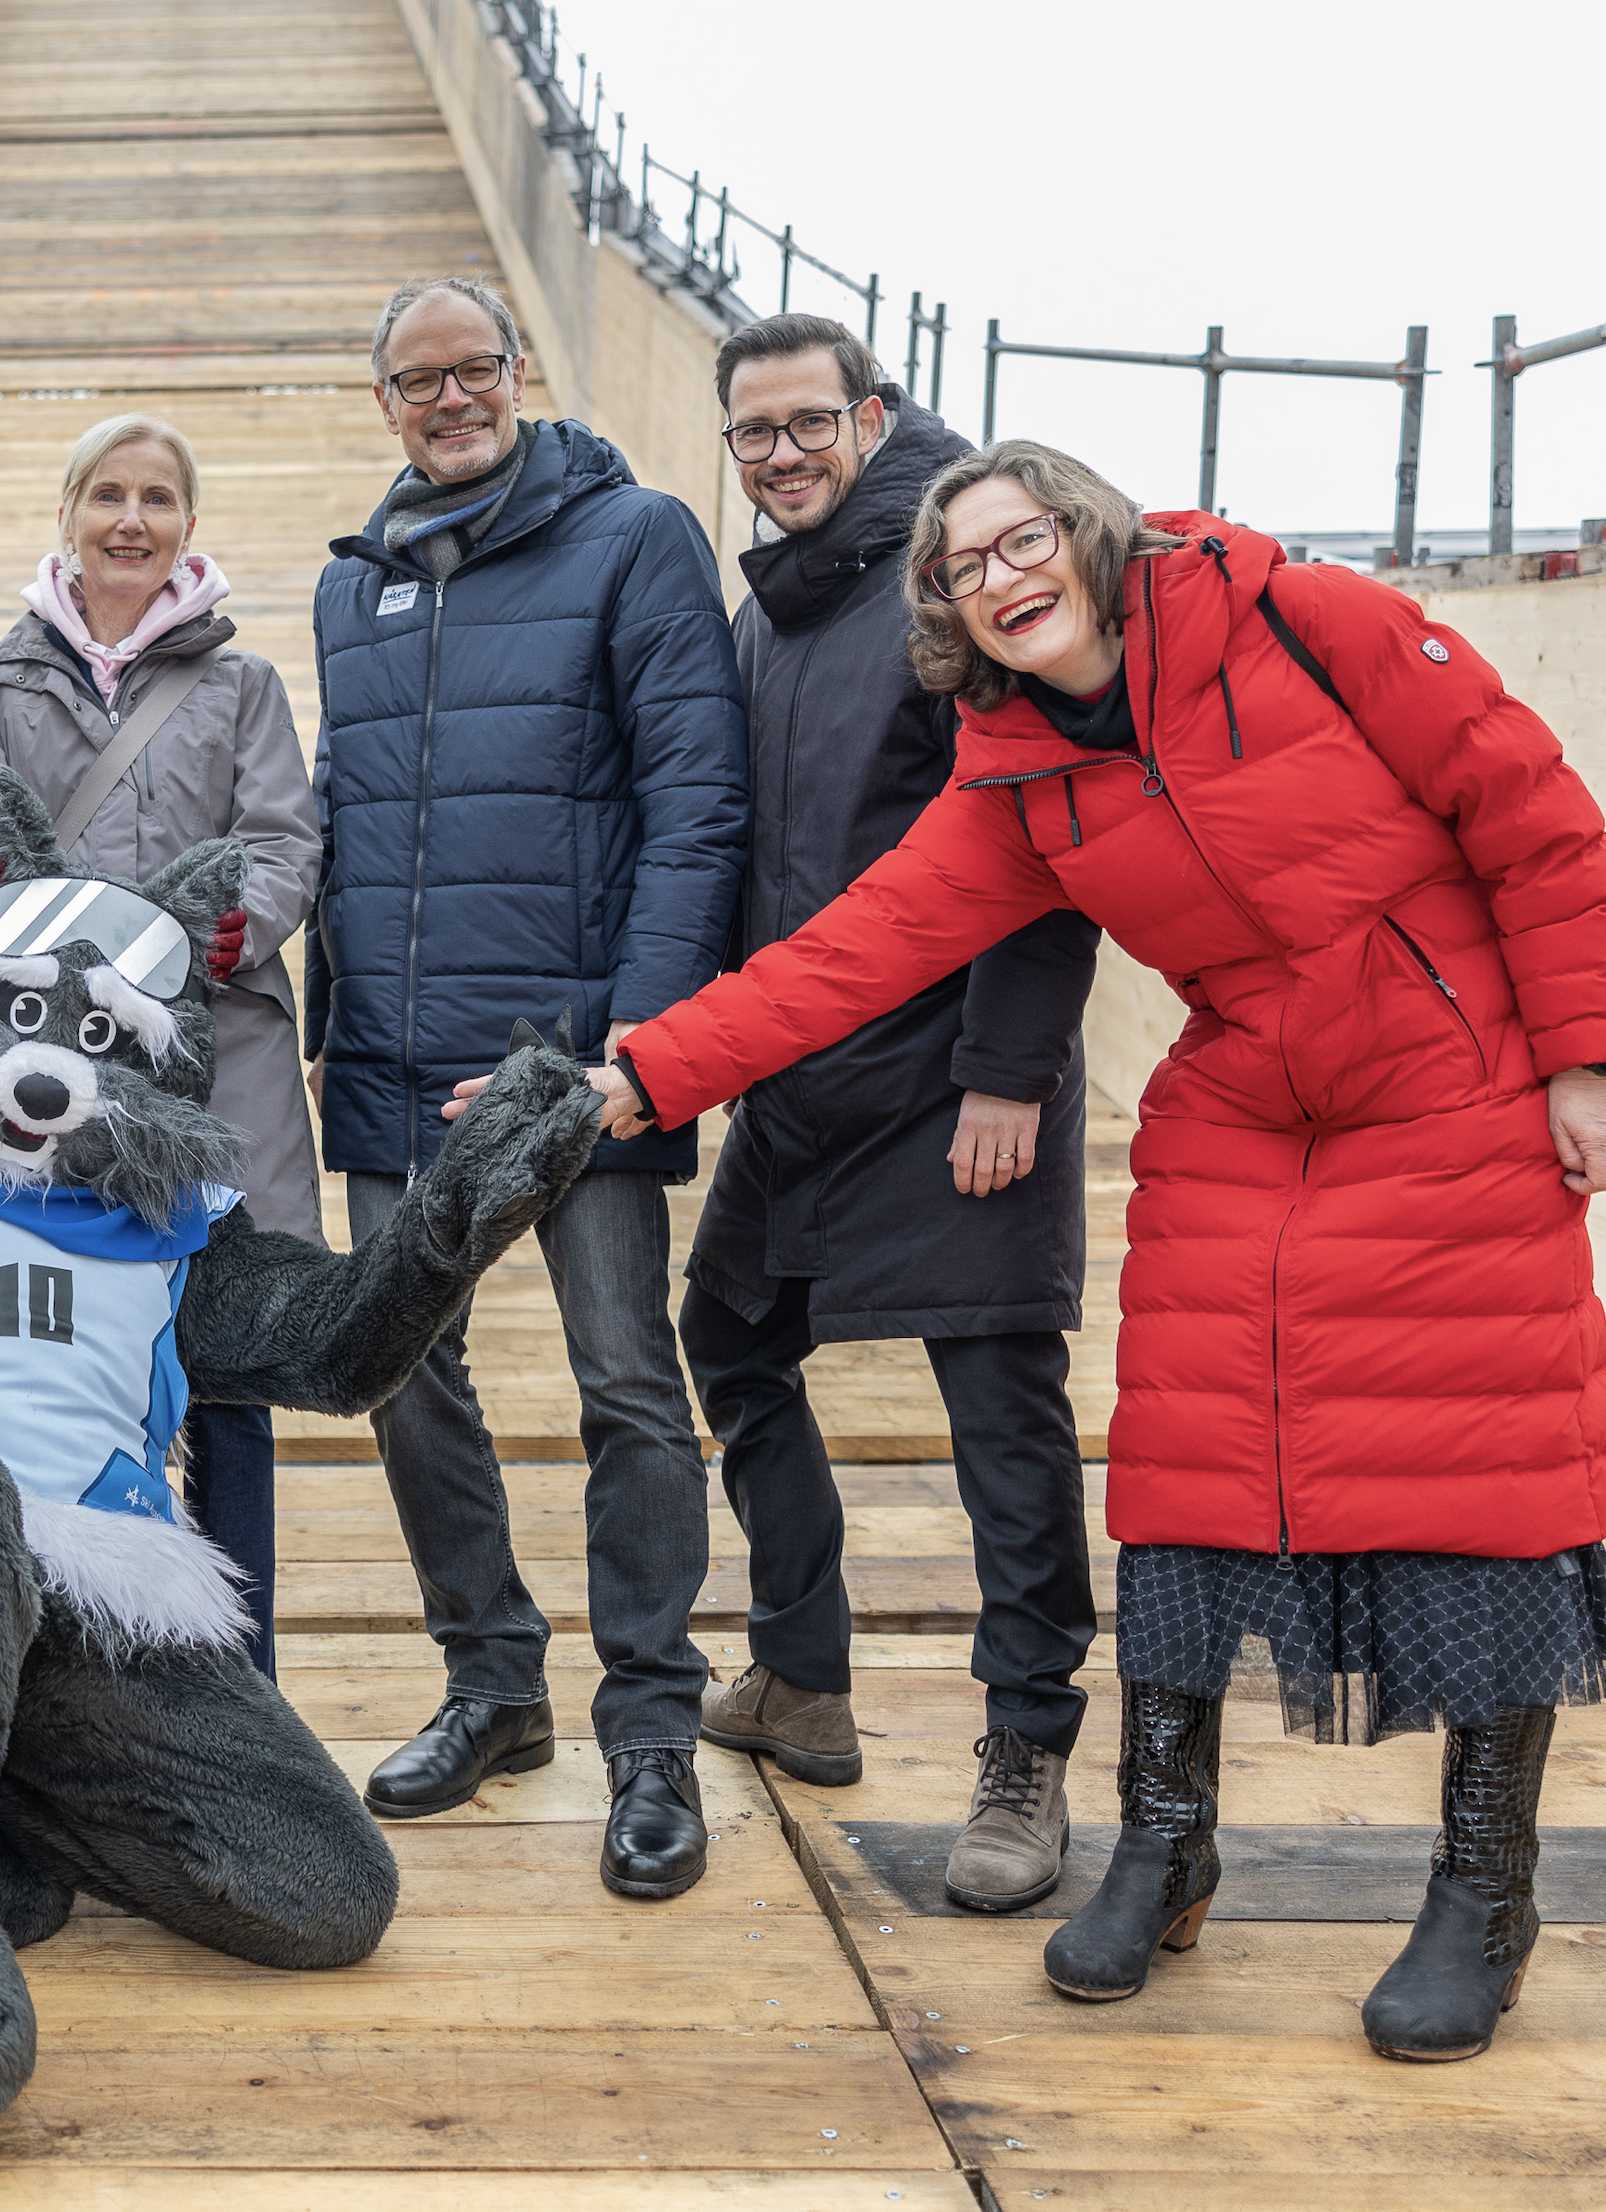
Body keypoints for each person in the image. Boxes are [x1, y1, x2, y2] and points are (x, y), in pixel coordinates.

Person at [499, 439, 1606, 2062]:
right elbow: (852, 951)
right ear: (950, 609)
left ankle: (1482, 1889)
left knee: (1485, 1471)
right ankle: (1164, 1838)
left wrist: (1584, 1049)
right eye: (966, 565)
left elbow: (1522, 802)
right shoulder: (1016, 768)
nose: (1003, 575)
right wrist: (631, 1080)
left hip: (1451, 1079)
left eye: (1024, 538)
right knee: (1177, 1469)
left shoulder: (1302, 619)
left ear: (1089, 538)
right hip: (1250, 1098)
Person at [303, 276, 749, 1899]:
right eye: (414, 379)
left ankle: (650, 1738)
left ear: (517, 371)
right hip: (392, 1063)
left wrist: (634, 1047)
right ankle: (492, 1685)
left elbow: (699, 806)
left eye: (470, 367)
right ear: (384, 406)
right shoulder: (351, 587)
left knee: (626, 1383)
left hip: (578, 1064)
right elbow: (343, 826)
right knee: (402, 1377)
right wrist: (325, 1028)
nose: (447, 398)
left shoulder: (633, 539)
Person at [682, 315, 1103, 1915]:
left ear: (873, 414)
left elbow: (1044, 827)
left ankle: (1027, 1759)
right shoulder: (774, 601)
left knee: (1001, 1423)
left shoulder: (953, 575)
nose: (780, 453)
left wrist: (1011, 1069)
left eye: (807, 422)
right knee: (727, 1339)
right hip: (805, 1071)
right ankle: (803, 1675)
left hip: (950, 1082)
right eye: (752, 433)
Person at [0, 411, 322, 1679]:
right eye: (108, 494)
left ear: (188, 528)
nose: (131, 520)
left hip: (222, 1065)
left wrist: (214, 941)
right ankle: (92, 1673)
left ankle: (244, 1673)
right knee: (68, 1364)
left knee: (226, 1368)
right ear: (68, 513)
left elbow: (283, 847)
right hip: (56, 1066)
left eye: (158, 499)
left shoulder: (242, 684)